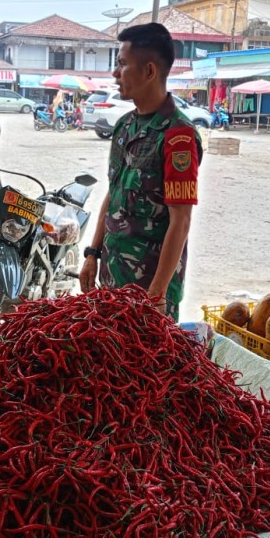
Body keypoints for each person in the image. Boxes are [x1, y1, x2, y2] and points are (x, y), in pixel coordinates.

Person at [78, 23, 202, 321]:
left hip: (149, 291)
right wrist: (93, 254)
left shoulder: (178, 136)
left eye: (122, 64)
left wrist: (156, 295)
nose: (114, 73)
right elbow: (114, 191)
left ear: (149, 71)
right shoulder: (124, 126)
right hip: (111, 278)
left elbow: (181, 222)